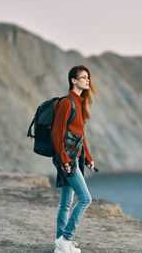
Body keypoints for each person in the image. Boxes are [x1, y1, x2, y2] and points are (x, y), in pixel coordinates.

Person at [52, 65, 97, 253]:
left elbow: (80, 135)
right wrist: (65, 161)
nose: (87, 81)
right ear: (73, 80)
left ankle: (60, 245)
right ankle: (66, 238)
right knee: (86, 198)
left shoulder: (79, 103)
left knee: (65, 203)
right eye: (84, 77)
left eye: (88, 78)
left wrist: (88, 157)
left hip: (75, 158)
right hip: (67, 159)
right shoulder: (66, 102)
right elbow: (57, 133)